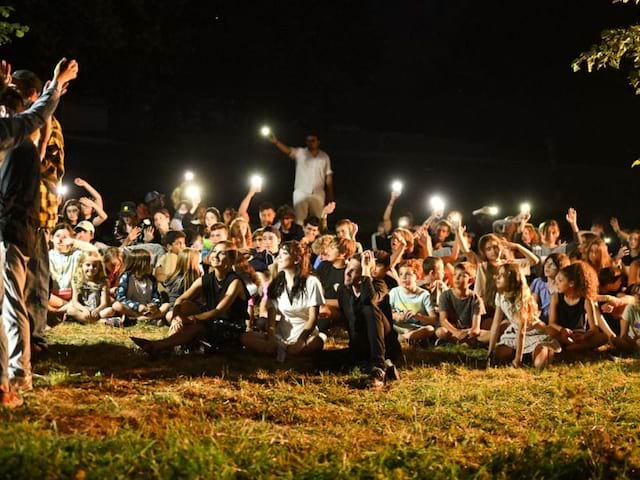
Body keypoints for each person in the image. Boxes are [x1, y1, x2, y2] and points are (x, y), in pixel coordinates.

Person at [0, 57, 79, 407]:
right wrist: (54, 88)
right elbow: (36, 119)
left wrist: (51, 93)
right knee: (11, 299)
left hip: (20, 225)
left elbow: (39, 127)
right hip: (16, 226)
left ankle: (17, 373)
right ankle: (15, 375)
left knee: (19, 295)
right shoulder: (18, 137)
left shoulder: (20, 140)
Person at [131, 241, 248, 353]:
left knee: (197, 326)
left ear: (232, 260)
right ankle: (168, 345)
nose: (215, 255)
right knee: (185, 306)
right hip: (212, 323)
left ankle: (158, 346)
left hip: (230, 327)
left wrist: (189, 319)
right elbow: (180, 299)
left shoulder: (235, 282)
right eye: (214, 251)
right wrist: (176, 317)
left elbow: (217, 311)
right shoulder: (206, 279)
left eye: (222, 253)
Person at [241, 240, 326, 360]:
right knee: (246, 337)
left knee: (317, 341)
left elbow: (312, 318)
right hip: (281, 334)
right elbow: (271, 319)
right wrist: (271, 339)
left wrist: (300, 341)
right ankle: (282, 351)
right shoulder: (276, 283)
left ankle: (284, 352)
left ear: (296, 259)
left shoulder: (311, 282)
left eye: (284, 254)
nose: (279, 258)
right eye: (279, 254)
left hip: (304, 333)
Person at [337, 251, 401, 388]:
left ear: (362, 276)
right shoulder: (343, 291)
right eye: (347, 269)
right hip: (361, 345)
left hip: (384, 346)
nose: (347, 273)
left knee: (369, 308)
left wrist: (367, 272)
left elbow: (369, 300)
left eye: (353, 271)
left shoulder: (379, 285)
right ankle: (378, 366)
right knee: (320, 360)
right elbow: (350, 324)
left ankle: (379, 367)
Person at [488, 263, 561, 368]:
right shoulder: (500, 296)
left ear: (512, 279)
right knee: (498, 356)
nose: (497, 277)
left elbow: (522, 331)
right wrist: (490, 351)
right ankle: (524, 354)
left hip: (532, 332)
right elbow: (496, 323)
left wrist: (518, 360)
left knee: (539, 364)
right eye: (498, 274)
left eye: (502, 275)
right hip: (515, 332)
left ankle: (543, 350)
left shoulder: (521, 299)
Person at [548, 261, 615, 352]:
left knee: (602, 337)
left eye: (560, 281)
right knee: (548, 330)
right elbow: (551, 322)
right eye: (556, 281)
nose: (557, 284)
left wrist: (584, 336)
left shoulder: (586, 300)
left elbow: (594, 329)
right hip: (562, 333)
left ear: (571, 283)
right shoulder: (555, 297)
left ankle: (576, 346)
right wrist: (562, 329)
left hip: (579, 335)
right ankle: (573, 346)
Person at [269, 132, 334, 223]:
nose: (310, 142)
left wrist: (330, 194)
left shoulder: (324, 157)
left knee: (318, 220)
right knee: (299, 220)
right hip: (301, 192)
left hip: (318, 193)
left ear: (318, 142)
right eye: (308, 140)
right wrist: (276, 142)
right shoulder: (300, 153)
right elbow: (288, 150)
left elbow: (328, 175)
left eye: (313, 140)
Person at [112, 249, 170, 325]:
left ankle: (142, 319)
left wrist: (154, 305)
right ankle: (141, 318)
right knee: (116, 305)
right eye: (148, 263)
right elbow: (121, 298)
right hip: (132, 309)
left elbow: (156, 297)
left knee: (166, 306)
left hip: (147, 310)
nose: (150, 265)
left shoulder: (151, 279)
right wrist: (137, 306)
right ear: (140, 264)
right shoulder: (126, 277)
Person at [437, 262, 489, 344]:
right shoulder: (445, 296)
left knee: (488, 333)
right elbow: (443, 320)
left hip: (469, 331)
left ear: (470, 281)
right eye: (455, 275)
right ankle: (464, 341)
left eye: (462, 276)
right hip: (452, 329)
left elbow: (476, 327)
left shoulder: (476, 299)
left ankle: (463, 341)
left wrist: (469, 332)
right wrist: (456, 332)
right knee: (441, 332)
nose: (457, 278)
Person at [389, 262, 437, 344]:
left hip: (415, 329)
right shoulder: (394, 292)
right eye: (401, 274)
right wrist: (395, 315)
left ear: (417, 277)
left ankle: (403, 338)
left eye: (408, 274)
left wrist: (417, 316)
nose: (404, 277)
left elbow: (433, 320)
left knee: (430, 329)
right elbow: (385, 312)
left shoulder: (424, 295)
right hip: (397, 327)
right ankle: (405, 339)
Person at [66, 251, 113, 324]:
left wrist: (97, 310)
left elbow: (104, 302)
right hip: (83, 310)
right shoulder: (76, 280)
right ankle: (100, 322)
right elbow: (75, 301)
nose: (91, 268)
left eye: (94, 266)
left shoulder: (103, 282)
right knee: (70, 310)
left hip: (97, 311)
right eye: (88, 265)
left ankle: (82, 320)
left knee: (110, 310)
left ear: (99, 267)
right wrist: (84, 309)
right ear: (81, 265)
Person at [529, 253, 570, 323]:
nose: (547, 266)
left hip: (559, 322)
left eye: (552, 264)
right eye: (546, 263)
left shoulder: (563, 286)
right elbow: (532, 306)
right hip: (539, 322)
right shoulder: (538, 282)